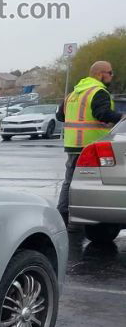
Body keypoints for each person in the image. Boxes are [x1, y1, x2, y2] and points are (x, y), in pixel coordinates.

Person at [56, 61, 125, 229]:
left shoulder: (74, 93)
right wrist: (122, 116)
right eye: (110, 72)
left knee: (70, 181)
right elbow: (102, 114)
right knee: (91, 183)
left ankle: (63, 217)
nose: (112, 75)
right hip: (90, 144)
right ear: (101, 74)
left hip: (73, 144)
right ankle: (72, 218)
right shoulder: (98, 92)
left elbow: (60, 116)